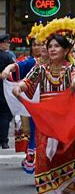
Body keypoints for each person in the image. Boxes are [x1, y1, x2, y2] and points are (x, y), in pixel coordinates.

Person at [12, 18, 75, 194]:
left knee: (66, 155)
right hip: (46, 119)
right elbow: (28, 82)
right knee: (44, 158)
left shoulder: (72, 67)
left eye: (57, 46)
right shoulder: (40, 68)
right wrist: (19, 87)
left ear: (65, 50)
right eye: (50, 46)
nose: (52, 49)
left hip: (66, 117)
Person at [2, 24, 48, 173]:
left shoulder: (60, 63)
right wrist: (7, 70)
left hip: (55, 103)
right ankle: (35, 158)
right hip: (36, 104)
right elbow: (17, 68)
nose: (38, 48)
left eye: (41, 44)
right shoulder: (33, 63)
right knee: (37, 130)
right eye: (35, 45)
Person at [0, 34, 14, 149]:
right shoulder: (7, 57)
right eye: (7, 42)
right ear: (2, 44)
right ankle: (4, 141)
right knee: (5, 115)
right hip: (3, 90)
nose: (8, 44)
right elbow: (13, 73)